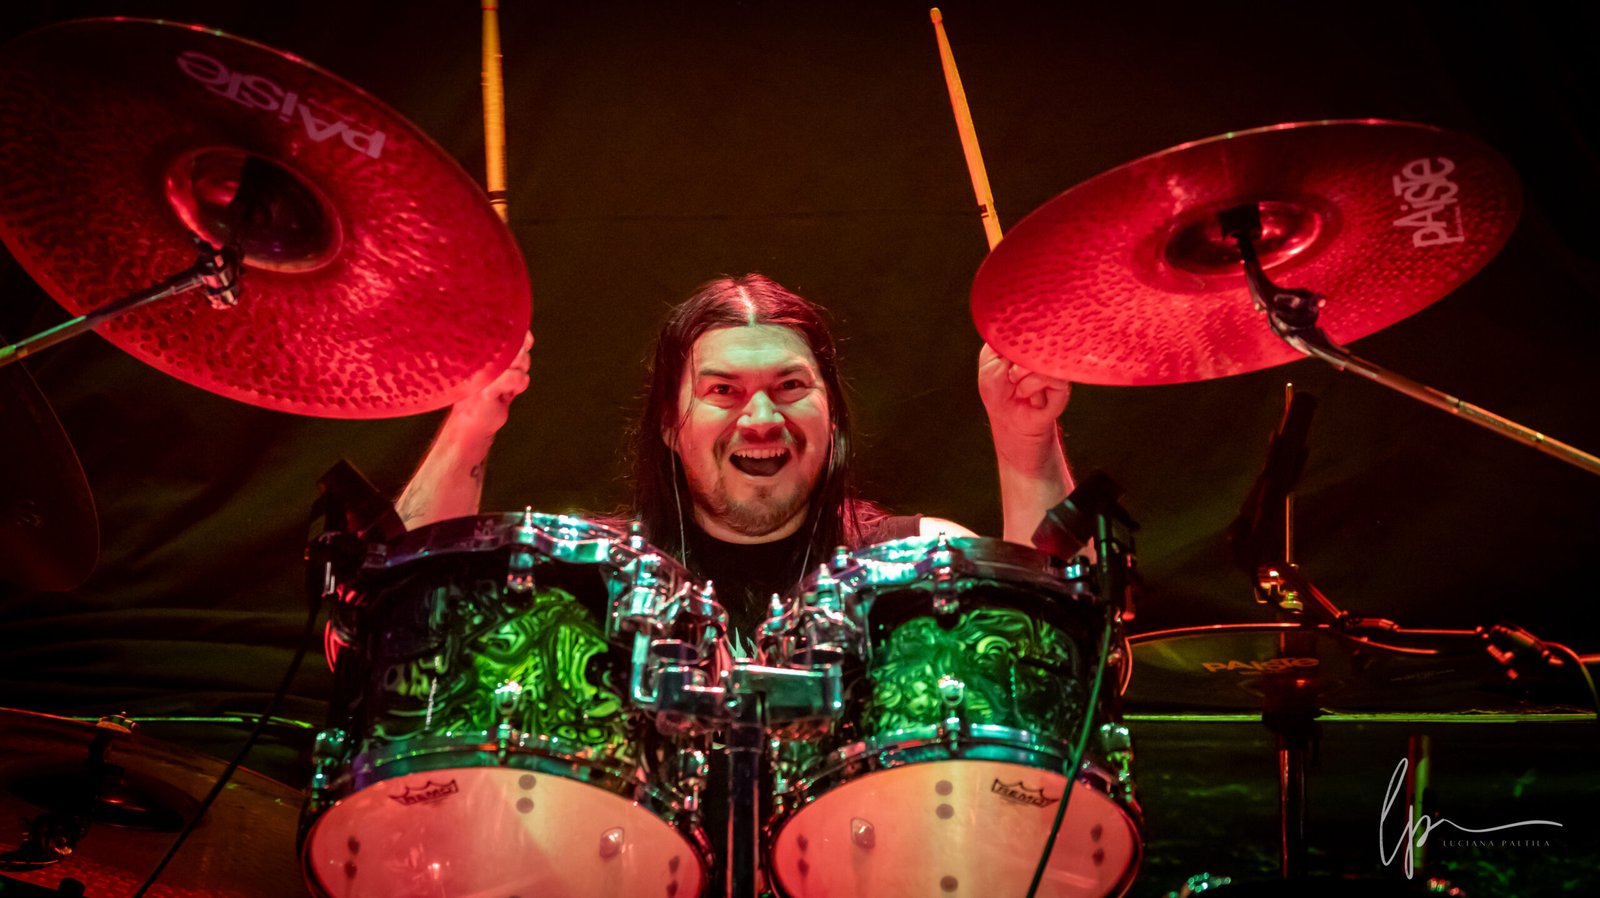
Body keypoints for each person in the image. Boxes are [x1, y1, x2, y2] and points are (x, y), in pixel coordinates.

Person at [396, 273, 1074, 638]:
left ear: (832, 416)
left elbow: (1062, 645)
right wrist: (469, 422)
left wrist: (1026, 442)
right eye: (723, 390)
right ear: (669, 424)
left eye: (790, 387)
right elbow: (404, 623)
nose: (761, 419)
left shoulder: (919, 566)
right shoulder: (589, 584)